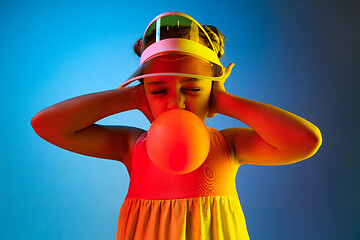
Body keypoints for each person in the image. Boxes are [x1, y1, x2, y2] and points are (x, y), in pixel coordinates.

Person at [31, 12, 322, 240]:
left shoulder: (229, 145)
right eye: (158, 91)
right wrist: (130, 96)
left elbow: (305, 141)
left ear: (211, 89)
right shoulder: (131, 146)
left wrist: (224, 99)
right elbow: (47, 124)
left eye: (193, 89)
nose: (177, 103)